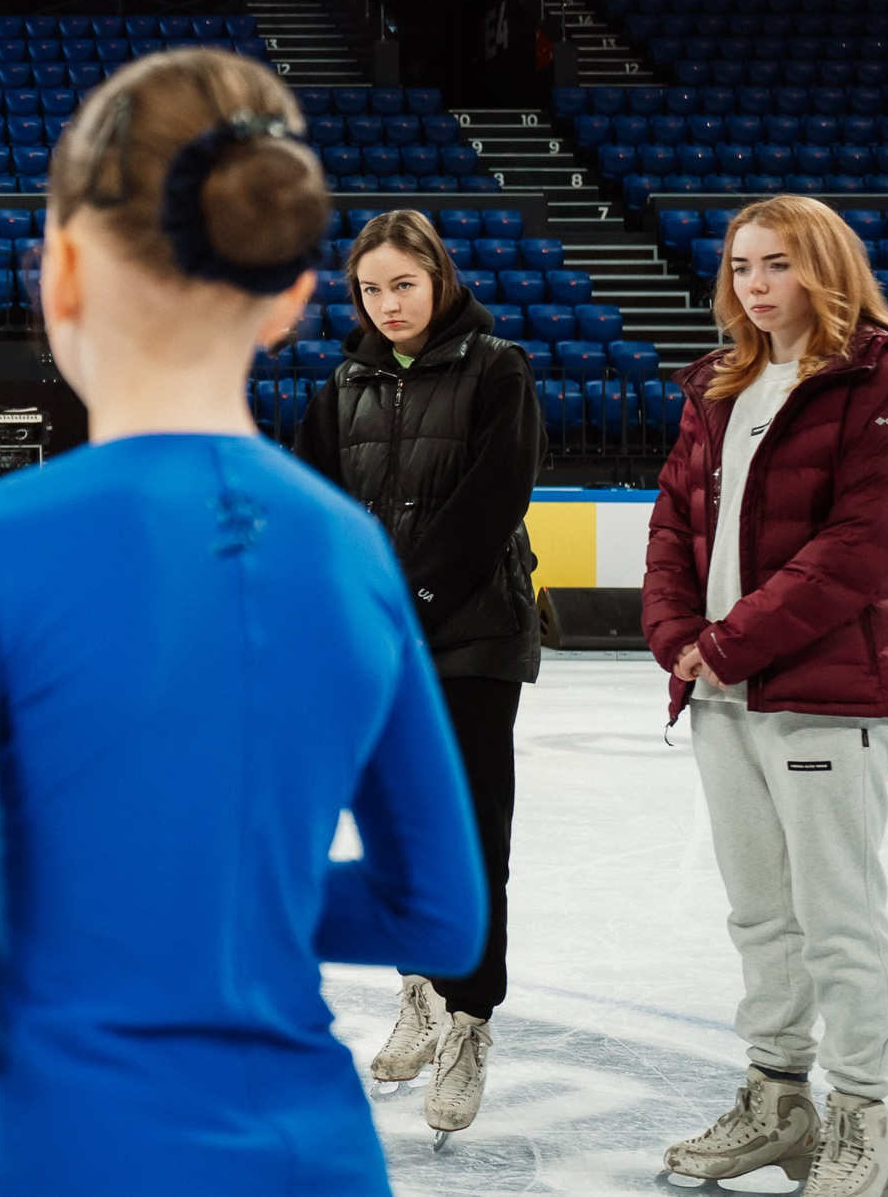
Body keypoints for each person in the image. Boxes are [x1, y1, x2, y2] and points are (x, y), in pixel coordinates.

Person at [0, 48, 486, 1195]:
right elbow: (437, 921)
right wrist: (242, 900)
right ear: (290, 297)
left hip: (81, 1159)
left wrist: (34, 884)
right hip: (320, 1160)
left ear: (63, 272)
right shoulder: (352, 553)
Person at [644, 195, 888, 1197]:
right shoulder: (722, 382)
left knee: (836, 913)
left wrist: (727, 641)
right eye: (742, 267)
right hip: (719, 697)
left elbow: (859, 547)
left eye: (777, 266)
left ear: (824, 268)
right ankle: (777, 1100)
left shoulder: (879, 379)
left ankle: (857, 1116)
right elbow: (673, 519)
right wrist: (678, 637)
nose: (755, 287)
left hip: (819, 695)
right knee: (759, 915)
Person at [295, 208, 545, 1135]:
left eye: (404, 283)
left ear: (438, 279)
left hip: (471, 638)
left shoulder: (497, 367)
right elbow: (317, 509)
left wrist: (413, 604)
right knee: (400, 831)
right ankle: (421, 987)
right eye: (370, 287)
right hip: (374, 647)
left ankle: (471, 1015)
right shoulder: (343, 384)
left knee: (474, 833)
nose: (388, 303)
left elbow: (494, 497)